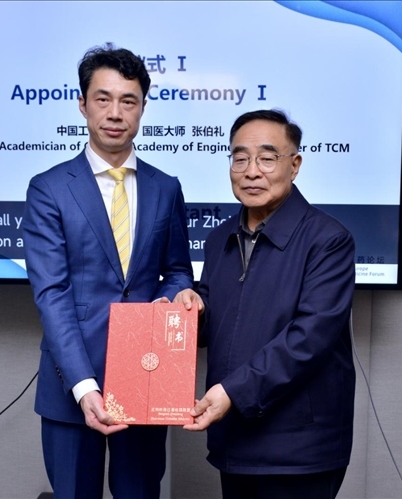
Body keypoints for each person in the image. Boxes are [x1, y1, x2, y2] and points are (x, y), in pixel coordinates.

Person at [22, 44, 193, 499]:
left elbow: (178, 270)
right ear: (83, 104)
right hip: (71, 385)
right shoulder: (49, 189)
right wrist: (84, 387)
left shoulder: (165, 187)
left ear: (142, 108)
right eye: (103, 99)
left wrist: (171, 299)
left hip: (146, 380)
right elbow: (52, 295)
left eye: (128, 101)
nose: (115, 113)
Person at [175, 109, 356, 499]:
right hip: (234, 439)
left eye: (267, 158)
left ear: (295, 165)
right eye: (240, 159)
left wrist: (233, 392)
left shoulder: (328, 240)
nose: (251, 172)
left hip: (300, 450)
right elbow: (218, 322)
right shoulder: (219, 238)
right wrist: (192, 311)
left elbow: (309, 339)